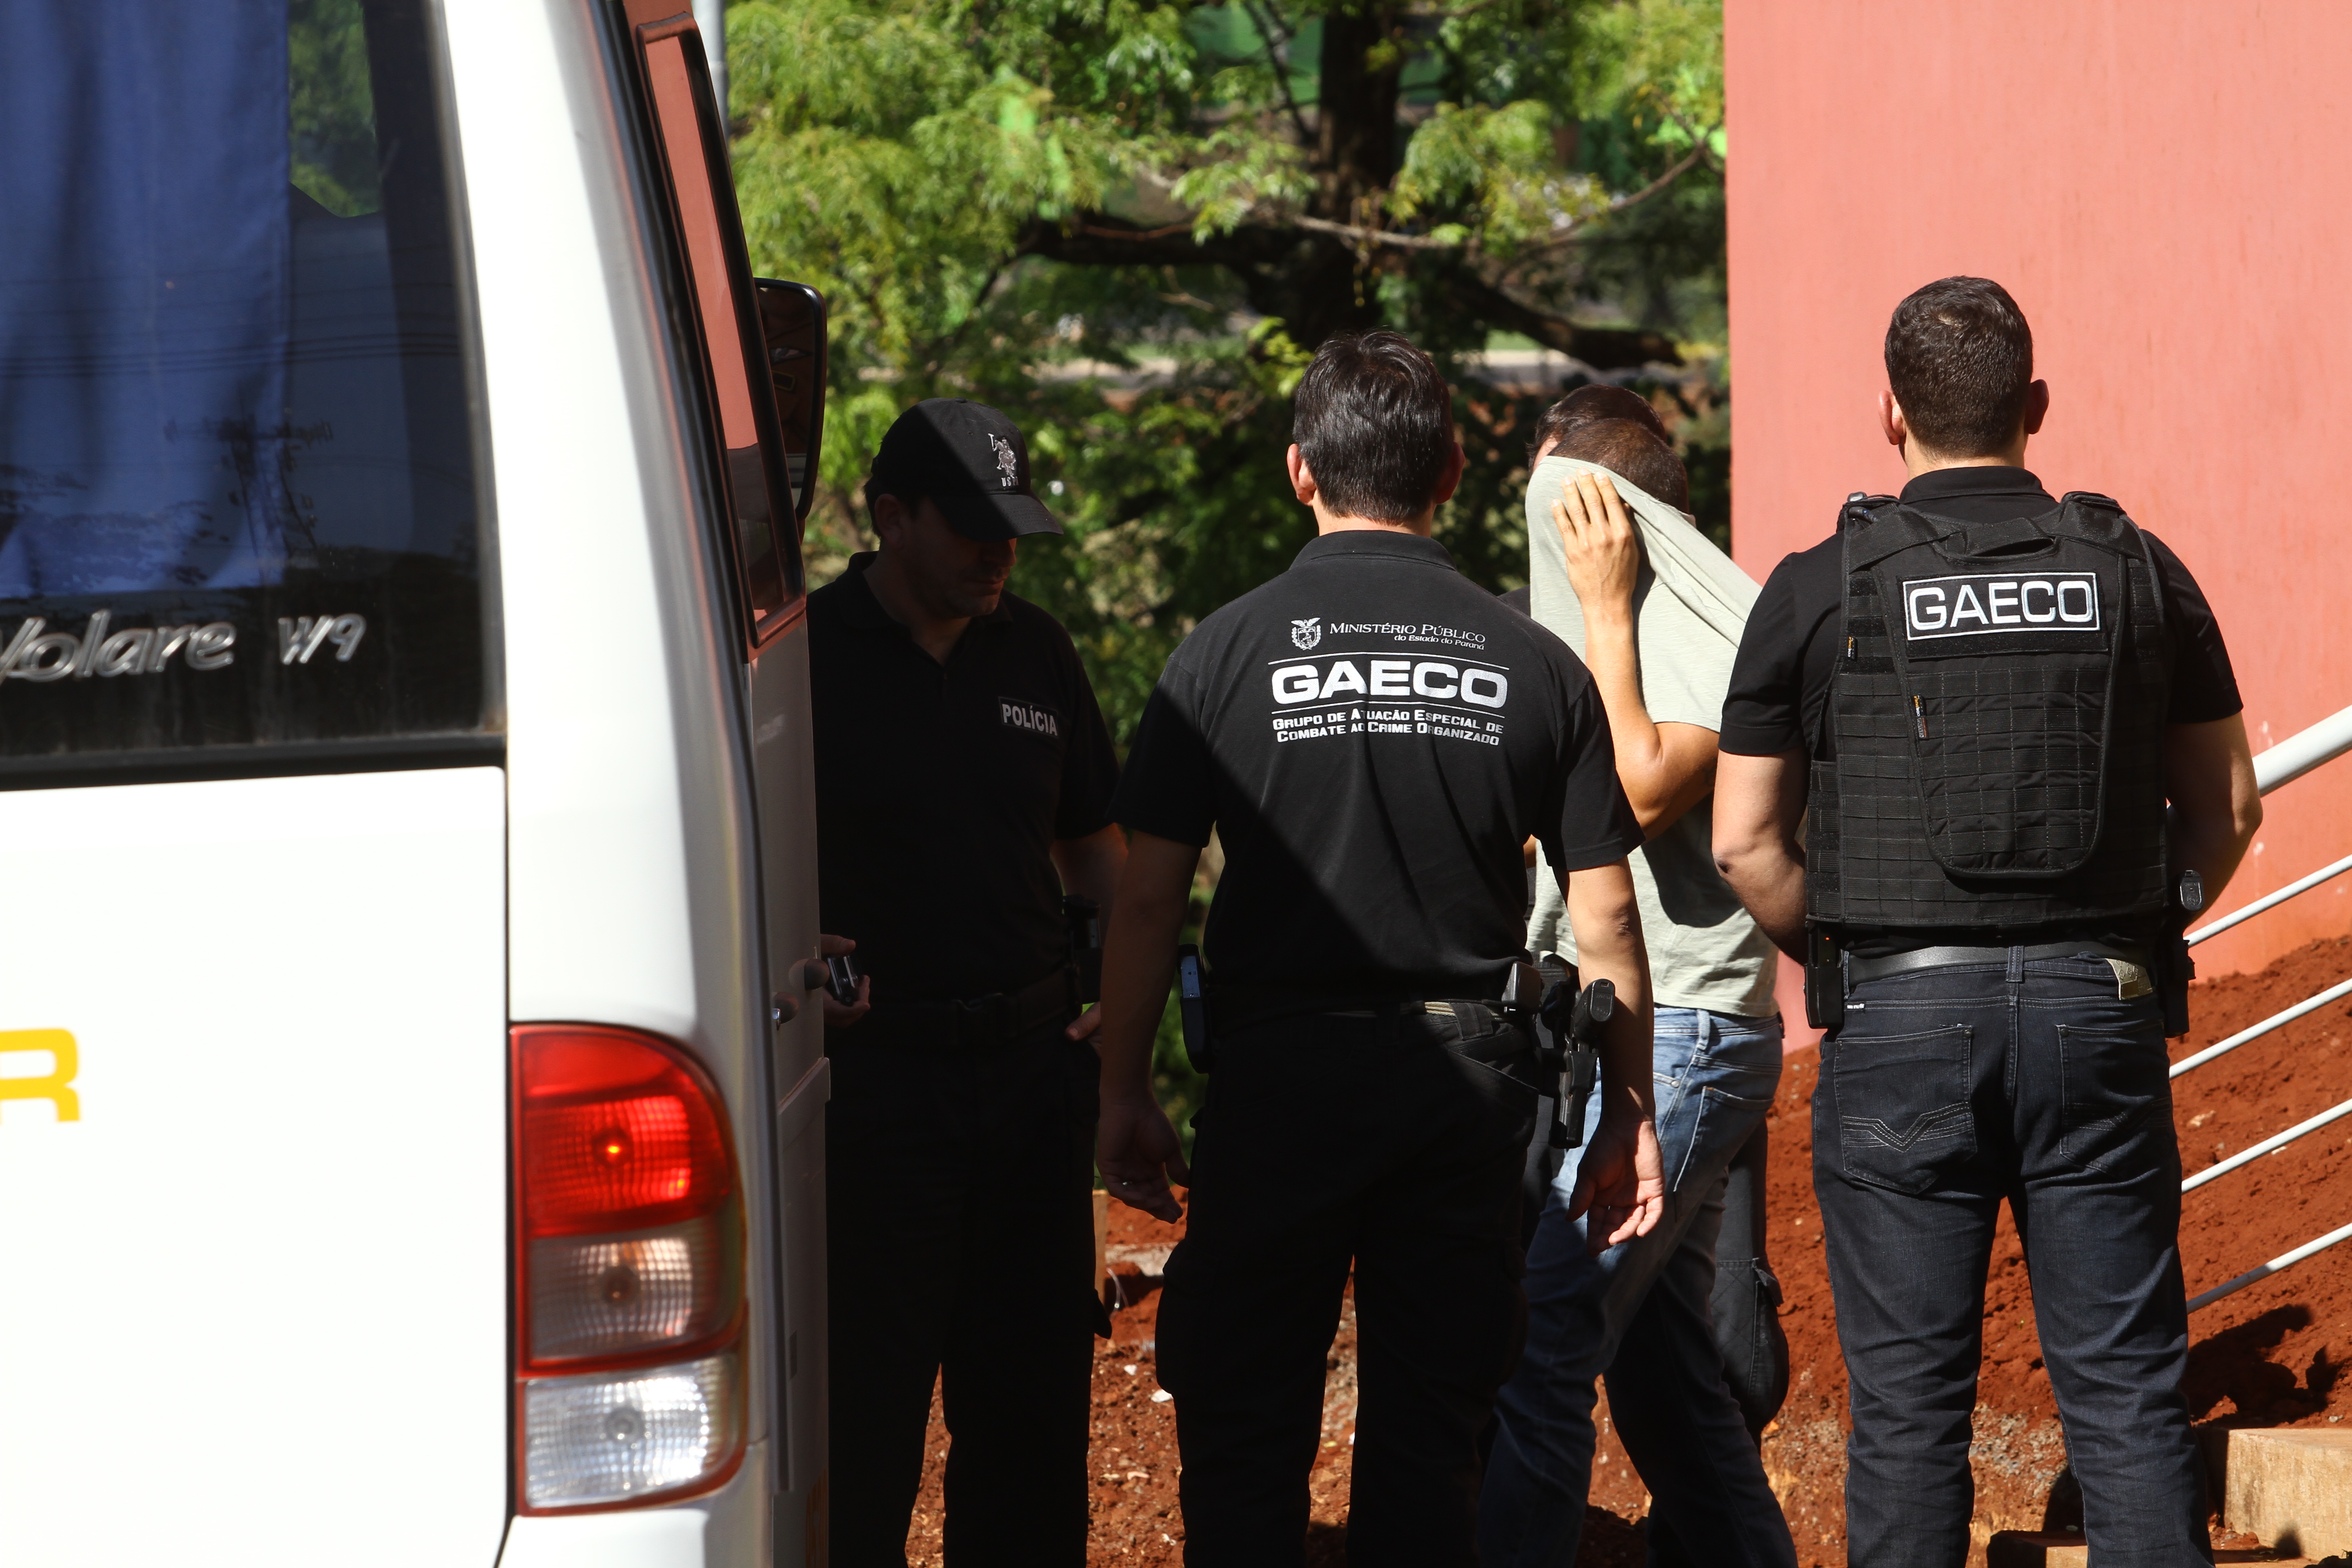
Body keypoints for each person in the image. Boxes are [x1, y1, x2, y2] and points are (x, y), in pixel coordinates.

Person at [1712, 277, 2263, 1567]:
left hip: (1898, 1022)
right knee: (2126, 1406)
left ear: (1887, 414)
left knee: (1907, 1424)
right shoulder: (2136, 565)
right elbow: (2228, 803)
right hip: (2101, 1008)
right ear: (2036, 407)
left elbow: (1743, 840)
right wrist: (2146, 921)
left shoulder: (1815, 585)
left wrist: (1853, 956)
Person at [1092, 329, 1666, 1568]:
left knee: (1244, 1440)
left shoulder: (1223, 654)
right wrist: (1629, 1112)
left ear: (1302, 472)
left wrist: (1122, 1087)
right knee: (1429, 1449)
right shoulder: (1538, 664)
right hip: (1463, 1102)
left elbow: (1147, 903)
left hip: (1278, 1083)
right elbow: (1608, 919)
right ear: (1454, 470)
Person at [809, 397, 1127, 1567]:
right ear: (892, 518)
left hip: (1032, 1088)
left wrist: (1119, 999)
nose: (1000, 553)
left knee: (1032, 1416)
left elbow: (1097, 845)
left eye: (1013, 530)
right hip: (874, 1097)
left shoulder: (1035, 647)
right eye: (972, 527)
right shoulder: (804, 657)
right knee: (868, 1418)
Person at [1481, 409, 1795, 1568]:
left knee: (1546, 1331)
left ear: (1610, 518)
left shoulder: (1712, 641)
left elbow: (1640, 790)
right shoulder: (1642, 634)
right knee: (1669, 1390)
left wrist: (1607, 613)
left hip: (1690, 1036)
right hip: (1645, 1031)